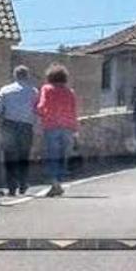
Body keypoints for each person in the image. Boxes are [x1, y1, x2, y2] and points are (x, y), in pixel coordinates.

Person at [0, 65, 38, 196]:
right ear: (27, 76)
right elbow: (37, 110)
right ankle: (23, 184)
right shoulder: (33, 91)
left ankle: (11, 187)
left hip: (9, 126)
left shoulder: (5, 90)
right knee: (24, 156)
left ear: (14, 75)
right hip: (26, 127)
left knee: (9, 157)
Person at [36, 64, 79, 197]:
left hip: (52, 126)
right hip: (67, 128)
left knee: (52, 156)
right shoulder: (70, 92)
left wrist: (38, 111)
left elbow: (42, 106)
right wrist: (75, 130)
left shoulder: (47, 89)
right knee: (62, 156)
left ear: (50, 76)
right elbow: (74, 111)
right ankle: (58, 183)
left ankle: (55, 184)